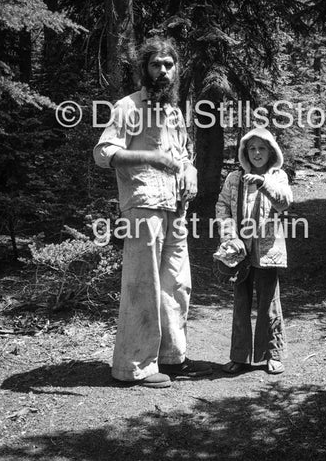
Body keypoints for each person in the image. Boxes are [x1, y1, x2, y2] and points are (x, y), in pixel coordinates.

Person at [94, 37, 212, 388]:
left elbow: (184, 153)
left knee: (177, 283)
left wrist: (189, 172)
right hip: (143, 205)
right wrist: (151, 158)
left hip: (176, 206)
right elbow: (104, 153)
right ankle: (135, 367)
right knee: (142, 284)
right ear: (144, 69)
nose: (163, 70)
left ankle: (171, 358)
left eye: (168, 64)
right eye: (155, 64)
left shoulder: (174, 111)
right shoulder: (127, 107)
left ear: (176, 70)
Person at [215, 127, 292, 375]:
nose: (257, 153)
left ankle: (273, 354)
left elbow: (284, 201)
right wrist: (229, 236)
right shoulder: (233, 178)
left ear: (271, 151)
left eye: (262, 148)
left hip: (268, 251)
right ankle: (240, 356)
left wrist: (264, 184)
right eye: (252, 148)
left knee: (269, 302)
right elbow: (222, 206)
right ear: (245, 152)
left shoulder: (278, 176)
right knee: (240, 302)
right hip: (239, 252)